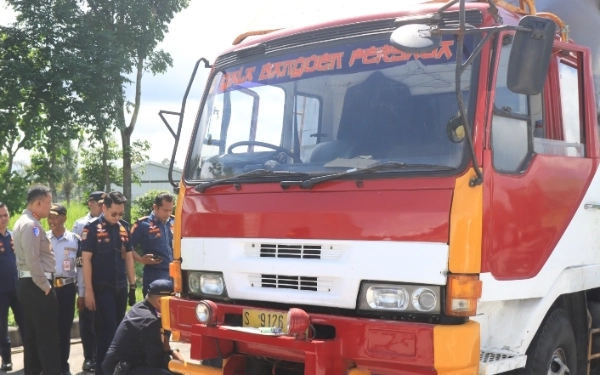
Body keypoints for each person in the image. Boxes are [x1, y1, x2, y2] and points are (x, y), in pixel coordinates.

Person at [81, 191, 137, 375]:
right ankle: (102, 370)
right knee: (107, 329)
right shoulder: (91, 228)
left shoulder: (123, 227)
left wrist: (132, 286)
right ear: (104, 208)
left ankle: (115, 368)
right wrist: (88, 291)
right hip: (101, 287)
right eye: (114, 213)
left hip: (120, 286)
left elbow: (129, 258)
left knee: (119, 329)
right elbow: (86, 261)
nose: (118, 217)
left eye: (121, 214)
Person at [13, 185, 61, 375]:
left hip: (29, 285)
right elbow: (34, 259)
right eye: (48, 203)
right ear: (39, 202)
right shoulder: (31, 225)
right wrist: (45, 286)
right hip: (37, 286)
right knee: (48, 339)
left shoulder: (24, 221)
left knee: (32, 337)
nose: (50, 208)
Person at [102, 280, 184, 375]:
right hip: (120, 370)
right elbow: (156, 361)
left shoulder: (142, 307)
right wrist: (174, 355)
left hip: (127, 366)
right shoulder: (150, 321)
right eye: (173, 300)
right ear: (159, 301)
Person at [72, 191, 105, 373]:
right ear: (90, 203)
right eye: (99, 203)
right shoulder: (81, 225)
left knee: (104, 321)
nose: (102, 206)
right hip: (86, 280)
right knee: (87, 321)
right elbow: (78, 260)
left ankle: (102, 356)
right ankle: (88, 357)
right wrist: (82, 291)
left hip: (104, 281)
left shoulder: (109, 223)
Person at [48, 204, 82, 375]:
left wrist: (81, 292)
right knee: (48, 328)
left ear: (64, 218)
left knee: (64, 327)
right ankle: (50, 365)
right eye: (49, 217)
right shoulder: (43, 239)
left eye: (55, 216)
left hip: (67, 288)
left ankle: (63, 364)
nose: (51, 220)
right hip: (47, 289)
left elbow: (81, 267)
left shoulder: (74, 240)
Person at [131, 192, 175, 296]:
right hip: (155, 275)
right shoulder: (143, 224)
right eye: (165, 210)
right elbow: (127, 247)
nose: (168, 214)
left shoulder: (175, 222)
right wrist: (141, 260)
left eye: (170, 210)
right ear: (155, 207)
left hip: (175, 274)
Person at [0, 202, 24, 372]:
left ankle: (31, 356)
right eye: (0, 216)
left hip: (18, 288)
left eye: (5, 215)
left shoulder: (14, 236)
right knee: (1, 328)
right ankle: (6, 359)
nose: (3, 219)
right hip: (1, 291)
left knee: (25, 323)